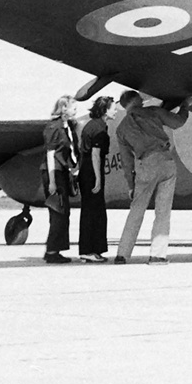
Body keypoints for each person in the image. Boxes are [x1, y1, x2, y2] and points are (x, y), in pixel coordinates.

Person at [114, 90, 192, 265]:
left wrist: (130, 185)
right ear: (136, 100)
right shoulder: (153, 112)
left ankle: (122, 254)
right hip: (165, 160)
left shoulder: (121, 129)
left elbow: (127, 162)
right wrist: (185, 106)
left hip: (145, 165)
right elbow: (178, 123)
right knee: (163, 211)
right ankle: (157, 255)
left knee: (136, 211)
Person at [76, 95, 115, 263]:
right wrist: (98, 179)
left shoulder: (92, 125)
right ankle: (89, 250)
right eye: (113, 107)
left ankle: (89, 249)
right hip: (92, 171)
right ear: (105, 110)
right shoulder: (98, 128)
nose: (115, 110)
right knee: (94, 212)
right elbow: (95, 154)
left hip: (86, 170)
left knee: (91, 211)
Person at [41, 95, 78, 264]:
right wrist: (52, 181)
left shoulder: (66, 127)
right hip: (54, 172)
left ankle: (55, 249)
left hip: (61, 171)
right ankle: (51, 251)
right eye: (73, 107)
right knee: (58, 212)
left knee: (63, 212)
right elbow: (50, 154)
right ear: (64, 108)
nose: (75, 110)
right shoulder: (53, 127)